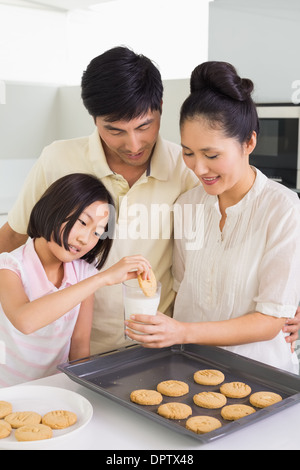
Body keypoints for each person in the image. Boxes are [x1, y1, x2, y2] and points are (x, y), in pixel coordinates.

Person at [0, 46, 199, 354]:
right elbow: (13, 235)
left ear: (160, 106)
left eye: (144, 126)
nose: (133, 144)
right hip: (69, 349)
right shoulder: (58, 159)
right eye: (114, 130)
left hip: (154, 346)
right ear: (94, 119)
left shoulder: (186, 168)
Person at [125, 61, 300, 374]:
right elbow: (182, 289)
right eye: (188, 153)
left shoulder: (283, 209)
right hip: (189, 367)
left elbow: (269, 322)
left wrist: (181, 332)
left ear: (249, 142)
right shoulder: (187, 205)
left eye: (212, 155)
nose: (198, 168)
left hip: (259, 377)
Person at [0, 173, 152, 387]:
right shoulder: (9, 266)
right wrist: (103, 278)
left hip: (57, 390)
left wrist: (83, 392)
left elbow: (79, 345)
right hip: (8, 392)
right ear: (54, 208)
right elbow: (25, 321)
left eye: (97, 233)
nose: (85, 239)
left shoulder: (84, 273)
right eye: (82, 222)